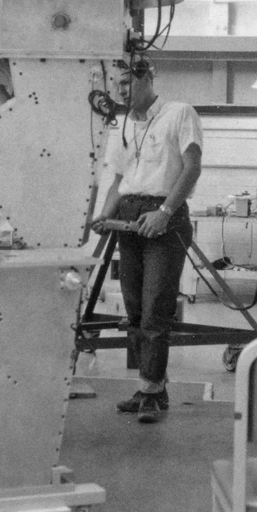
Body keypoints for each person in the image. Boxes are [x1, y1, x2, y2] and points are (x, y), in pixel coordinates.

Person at [92, 56, 203, 423]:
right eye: (117, 85)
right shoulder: (121, 124)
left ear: (147, 78)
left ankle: (152, 392)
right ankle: (149, 387)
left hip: (163, 219)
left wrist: (165, 212)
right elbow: (117, 179)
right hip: (129, 221)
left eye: (126, 83)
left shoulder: (179, 113)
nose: (121, 91)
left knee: (156, 308)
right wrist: (104, 215)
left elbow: (191, 167)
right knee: (136, 309)